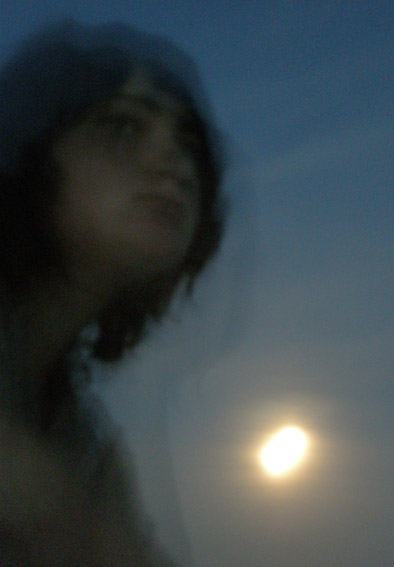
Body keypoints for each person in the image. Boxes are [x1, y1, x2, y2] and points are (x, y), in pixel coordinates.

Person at [0, 19, 225, 567]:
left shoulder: (80, 444)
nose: (176, 166)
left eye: (188, 144)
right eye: (122, 128)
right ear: (31, 158)